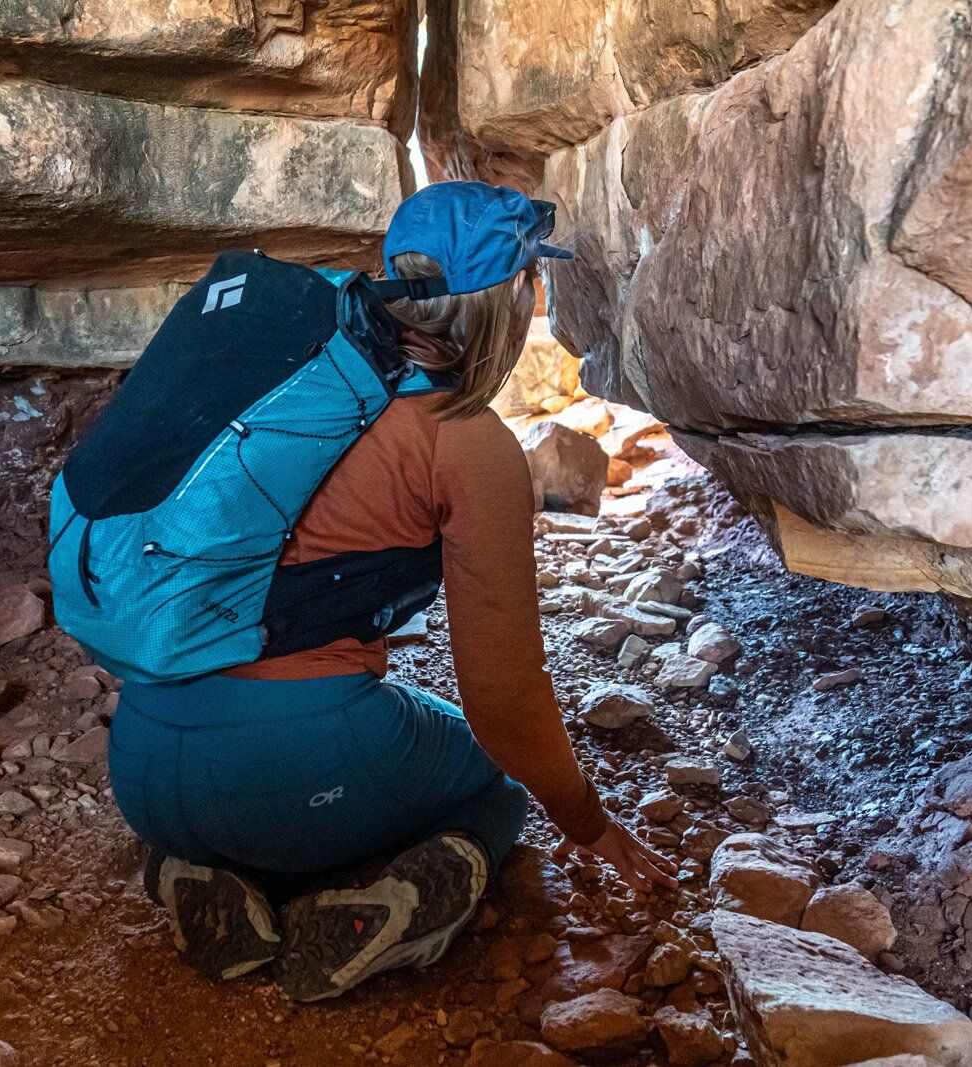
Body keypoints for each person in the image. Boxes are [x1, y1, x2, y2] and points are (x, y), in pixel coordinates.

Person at [105, 181, 676, 1001]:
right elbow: (504, 698)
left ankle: (187, 870)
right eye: (530, 281)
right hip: (288, 773)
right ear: (508, 296)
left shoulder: (292, 387)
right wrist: (588, 821)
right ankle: (392, 907)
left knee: (245, 774)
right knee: (495, 782)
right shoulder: (467, 442)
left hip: (142, 763)